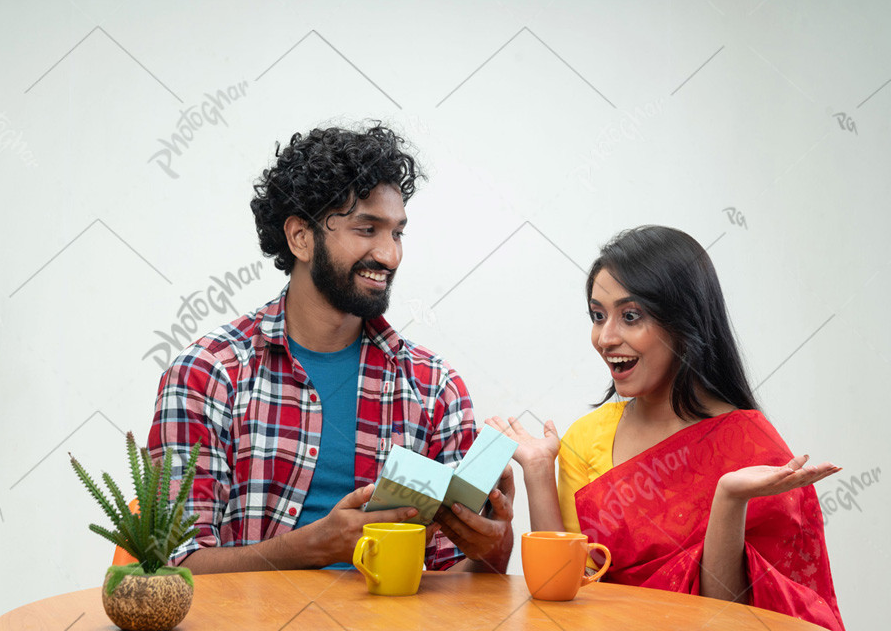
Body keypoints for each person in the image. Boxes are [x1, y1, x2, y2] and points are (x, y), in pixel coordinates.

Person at [147, 124, 513, 574]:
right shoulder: (208, 374)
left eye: (397, 233)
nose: (389, 255)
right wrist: (310, 549)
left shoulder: (434, 387)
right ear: (301, 237)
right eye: (367, 229)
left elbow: (459, 580)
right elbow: (171, 566)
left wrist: (492, 542)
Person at [488, 226, 844, 630]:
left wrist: (729, 500)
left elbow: (731, 618)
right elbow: (564, 593)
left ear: (683, 320)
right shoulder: (587, 438)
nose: (605, 338)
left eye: (630, 316)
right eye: (598, 316)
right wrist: (537, 472)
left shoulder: (751, 446)